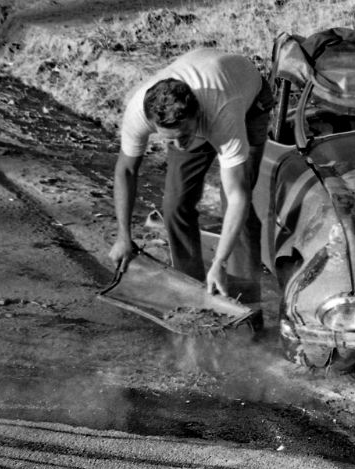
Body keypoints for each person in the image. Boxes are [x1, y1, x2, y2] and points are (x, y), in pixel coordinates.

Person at [108, 48, 272, 306]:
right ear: (153, 124)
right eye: (170, 139)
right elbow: (126, 170)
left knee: (237, 205)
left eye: (184, 135)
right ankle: (192, 293)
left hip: (249, 100)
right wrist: (123, 237)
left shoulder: (222, 113)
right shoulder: (139, 112)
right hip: (204, 97)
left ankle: (245, 299)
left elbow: (238, 195)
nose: (180, 145)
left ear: (197, 116)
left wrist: (219, 262)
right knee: (175, 205)